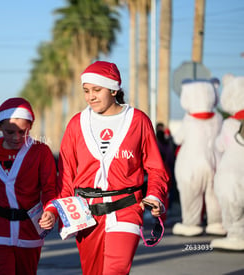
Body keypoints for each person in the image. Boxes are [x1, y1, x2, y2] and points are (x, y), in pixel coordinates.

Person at [55, 61, 168, 275]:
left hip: (126, 209)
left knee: (115, 270)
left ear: (114, 89)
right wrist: (55, 209)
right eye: (86, 91)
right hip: (86, 214)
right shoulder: (76, 124)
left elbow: (156, 168)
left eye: (97, 90)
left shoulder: (138, 120)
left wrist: (154, 195)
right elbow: (66, 176)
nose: (91, 96)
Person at [0, 97, 57, 275]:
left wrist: (51, 211)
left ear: (30, 126)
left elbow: (50, 187)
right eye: (9, 132)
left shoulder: (41, 152)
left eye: (22, 132)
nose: (16, 138)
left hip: (29, 231)